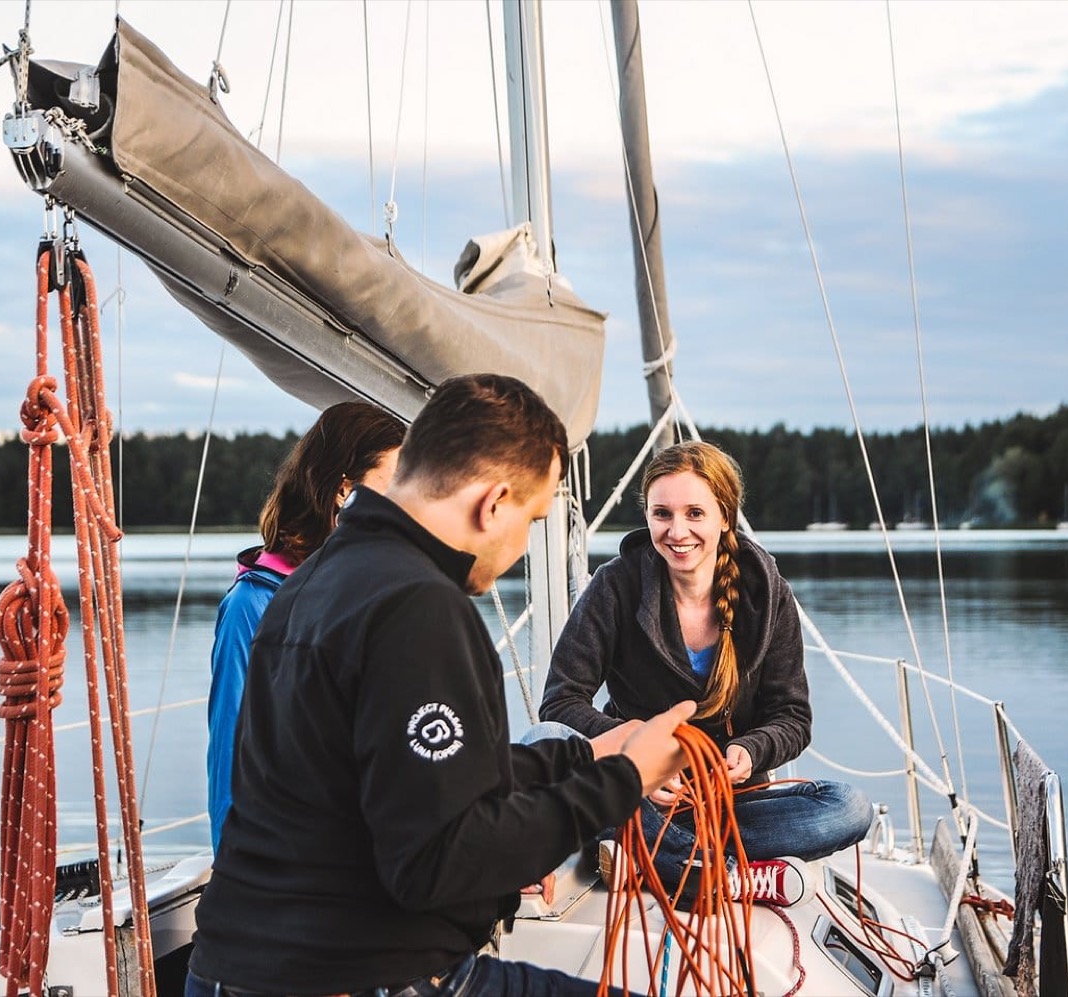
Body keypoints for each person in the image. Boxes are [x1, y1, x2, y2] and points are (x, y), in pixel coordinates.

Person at [187, 373, 695, 997]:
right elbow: (440, 862)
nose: (519, 548)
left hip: (244, 966)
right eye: (532, 520)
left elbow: (410, 775)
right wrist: (626, 780)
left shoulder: (311, 580)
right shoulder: (416, 606)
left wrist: (587, 754)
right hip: (355, 976)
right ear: (494, 503)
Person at [538, 439, 874, 901]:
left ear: (725, 517)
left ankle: (651, 853)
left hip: (730, 806)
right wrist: (640, 754)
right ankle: (713, 871)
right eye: (662, 514)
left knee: (849, 808)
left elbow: (792, 718)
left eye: (695, 513)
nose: (677, 531)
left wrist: (750, 751)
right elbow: (560, 703)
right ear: (647, 516)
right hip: (636, 792)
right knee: (544, 741)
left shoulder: (768, 593)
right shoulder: (614, 585)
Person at [205, 400, 405, 851]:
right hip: (293, 865)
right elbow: (231, 758)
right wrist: (238, 872)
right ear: (343, 491)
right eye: (394, 484)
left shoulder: (376, 595)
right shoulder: (251, 606)